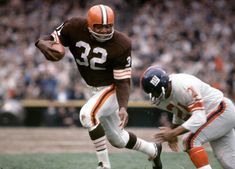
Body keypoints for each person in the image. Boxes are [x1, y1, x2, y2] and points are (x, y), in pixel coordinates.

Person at [35, 4, 162, 169]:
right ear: (89, 25)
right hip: (93, 89)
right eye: (99, 26)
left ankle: (104, 165)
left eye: (107, 26)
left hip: (112, 88)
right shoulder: (73, 26)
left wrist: (123, 107)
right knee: (118, 140)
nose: (103, 30)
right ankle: (153, 150)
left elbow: (123, 81)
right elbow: (50, 39)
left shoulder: (121, 43)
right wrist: (40, 43)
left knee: (87, 115)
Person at [140, 66, 235, 169]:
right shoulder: (163, 96)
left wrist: (173, 133)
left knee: (190, 140)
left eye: (155, 91)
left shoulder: (184, 86)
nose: (153, 95)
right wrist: (173, 130)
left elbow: (199, 118)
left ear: (163, 86)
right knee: (229, 162)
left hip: (221, 110)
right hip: (215, 117)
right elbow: (180, 111)